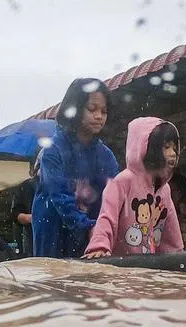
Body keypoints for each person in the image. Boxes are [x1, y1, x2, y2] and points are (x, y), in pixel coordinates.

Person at [31, 79, 120, 258]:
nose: (99, 116)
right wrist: (87, 226)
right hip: (53, 230)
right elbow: (59, 197)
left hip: (92, 231)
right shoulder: (53, 150)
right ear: (75, 108)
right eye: (92, 109)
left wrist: (103, 228)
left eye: (104, 111)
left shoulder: (106, 156)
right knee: (51, 281)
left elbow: (114, 197)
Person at [84, 117, 185, 258]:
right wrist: (99, 246)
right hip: (121, 265)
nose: (173, 153)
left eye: (174, 148)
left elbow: (170, 231)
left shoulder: (164, 189)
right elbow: (107, 217)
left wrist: (178, 258)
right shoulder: (122, 182)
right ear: (147, 148)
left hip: (147, 267)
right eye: (166, 147)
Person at [9, 152, 40, 257]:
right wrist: (31, 218)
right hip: (31, 238)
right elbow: (15, 214)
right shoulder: (26, 187)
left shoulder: (61, 186)